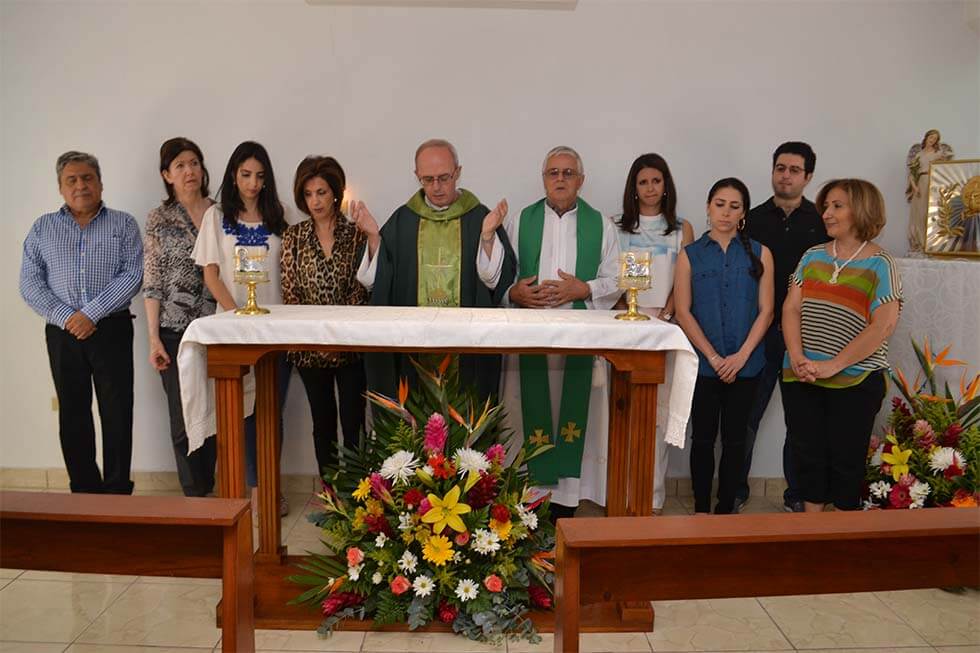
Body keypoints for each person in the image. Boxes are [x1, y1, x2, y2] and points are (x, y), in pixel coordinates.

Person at [502, 145, 621, 520]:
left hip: (578, 342)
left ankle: (566, 503)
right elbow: (502, 275)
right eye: (553, 172)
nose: (560, 179)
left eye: (568, 173)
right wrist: (513, 292)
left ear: (581, 181)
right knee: (529, 415)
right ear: (543, 179)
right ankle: (528, 500)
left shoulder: (601, 224)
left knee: (572, 414)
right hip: (531, 340)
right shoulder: (520, 220)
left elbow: (616, 278)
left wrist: (583, 289)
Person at [353, 138, 517, 400]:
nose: (437, 187)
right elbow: (376, 283)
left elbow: (495, 281)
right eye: (428, 179)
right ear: (416, 176)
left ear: (458, 172)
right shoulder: (403, 220)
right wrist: (374, 238)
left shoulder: (478, 217)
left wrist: (486, 237)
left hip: (465, 350)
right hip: (414, 348)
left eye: (444, 177)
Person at [20, 151, 143, 494]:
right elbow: (30, 282)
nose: (81, 185)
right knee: (72, 411)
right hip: (62, 334)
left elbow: (133, 274)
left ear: (100, 182)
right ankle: (84, 491)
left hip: (112, 329)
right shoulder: (43, 227)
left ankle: (117, 490)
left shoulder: (123, 224)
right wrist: (67, 317)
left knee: (117, 411)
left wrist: (91, 313)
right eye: (71, 180)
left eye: (87, 177)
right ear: (60, 188)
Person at [782, 178, 901, 512]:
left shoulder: (881, 264)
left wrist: (833, 365)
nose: (826, 213)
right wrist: (797, 356)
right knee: (808, 460)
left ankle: (842, 547)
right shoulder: (811, 256)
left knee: (847, 464)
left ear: (860, 210)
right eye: (826, 206)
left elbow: (883, 326)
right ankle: (812, 537)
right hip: (802, 375)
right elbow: (791, 307)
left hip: (856, 379)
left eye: (837, 206)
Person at [191, 140, 292, 515]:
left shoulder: (280, 215)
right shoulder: (216, 217)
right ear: (233, 174)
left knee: (271, 410)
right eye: (246, 174)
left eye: (260, 176)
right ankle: (246, 487)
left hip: (277, 329)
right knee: (240, 411)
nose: (253, 183)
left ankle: (270, 487)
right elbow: (211, 274)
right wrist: (236, 316)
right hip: (233, 329)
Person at [673, 178, 774, 515]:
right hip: (703, 365)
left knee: (735, 442)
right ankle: (701, 507)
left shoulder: (761, 254)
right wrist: (714, 357)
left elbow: (767, 310)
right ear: (708, 207)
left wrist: (741, 356)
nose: (726, 212)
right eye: (720, 204)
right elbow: (684, 312)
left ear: (743, 212)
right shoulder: (690, 256)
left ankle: (725, 508)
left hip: (748, 366)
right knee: (702, 440)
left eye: (734, 206)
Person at [738, 141, 828, 513]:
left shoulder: (823, 222)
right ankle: (735, 489)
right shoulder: (752, 220)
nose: (785, 175)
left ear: (808, 176)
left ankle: (796, 496)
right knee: (745, 417)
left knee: (801, 422)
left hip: (803, 337)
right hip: (757, 334)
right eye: (780, 168)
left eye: (794, 170)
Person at [612, 153, 693, 514]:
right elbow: (609, 279)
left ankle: (653, 496)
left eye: (656, 181)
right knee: (621, 412)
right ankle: (618, 493)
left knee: (657, 415)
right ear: (634, 187)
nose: (650, 188)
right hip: (623, 330)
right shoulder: (616, 227)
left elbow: (683, 278)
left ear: (666, 185)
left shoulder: (680, 228)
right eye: (643, 182)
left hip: (664, 328)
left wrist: (669, 311)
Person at [281, 156, 367, 476]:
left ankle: (360, 498)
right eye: (308, 194)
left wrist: (338, 339)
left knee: (354, 423)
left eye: (321, 192)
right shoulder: (294, 237)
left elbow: (361, 293)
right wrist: (320, 341)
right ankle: (332, 497)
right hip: (309, 350)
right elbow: (291, 295)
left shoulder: (356, 234)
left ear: (336, 192)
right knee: (323, 423)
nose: (315, 201)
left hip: (352, 348)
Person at [143, 137, 217, 497]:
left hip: (216, 329)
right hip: (173, 331)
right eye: (180, 166)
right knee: (181, 417)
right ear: (167, 175)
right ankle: (194, 492)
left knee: (216, 412)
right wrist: (153, 337)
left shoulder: (221, 212)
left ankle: (217, 485)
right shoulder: (159, 219)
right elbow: (152, 281)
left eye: (194, 163)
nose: (190, 171)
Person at [905, 129, 954, 254]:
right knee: (919, 214)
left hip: (932, 183)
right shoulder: (918, 155)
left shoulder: (937, 153)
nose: (932, 140)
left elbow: (947, 162)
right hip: (921, 182)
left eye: (935, 138)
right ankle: (918, 244)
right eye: (931, 137)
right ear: (926, 137)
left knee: (932, 213)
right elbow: (912, 174)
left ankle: (931, 243)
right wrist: (915, 187)